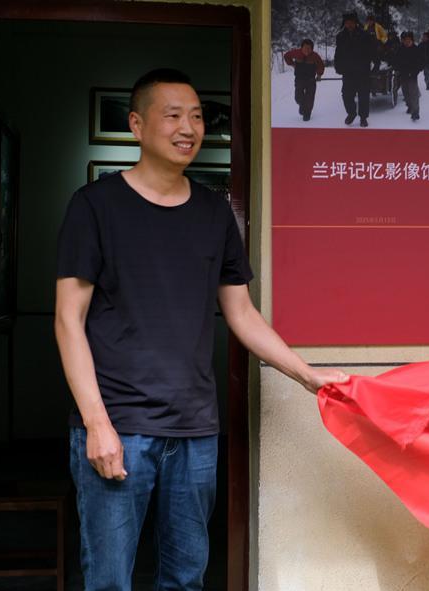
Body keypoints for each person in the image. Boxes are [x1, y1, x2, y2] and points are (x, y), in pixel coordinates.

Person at [55, 68, 348, 590]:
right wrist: (96, 424)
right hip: (119, 425)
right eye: (172, 115)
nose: (188, 127)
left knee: (187, 578)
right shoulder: (94, 206)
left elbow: (242, 313)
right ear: (137, 125)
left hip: (194, 430)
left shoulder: (214, 212)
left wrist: (308, 376)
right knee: (109, 580)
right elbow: (67, 321)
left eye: (196, 116)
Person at [334, 11, 376, 128]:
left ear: (356, 22)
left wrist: (375, 64)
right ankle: (351, 113)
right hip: (348, 71)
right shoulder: (340, 36)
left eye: (351, 22)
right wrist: (338, 66)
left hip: (363, 70)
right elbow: (338, 53)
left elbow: (372, 51)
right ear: (344, 23)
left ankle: (363, 118)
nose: (349, 25)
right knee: (346, 95)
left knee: (363, 95)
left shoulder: (365, 35)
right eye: (347, 23)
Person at [283, 38, 325, 122]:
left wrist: (319, 75)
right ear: (301, 47)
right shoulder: (296, 53)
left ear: (312, 49)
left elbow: (320, 65)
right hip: (299, 79)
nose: (307, 50)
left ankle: (307, 113)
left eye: (309, 48)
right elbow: (286, 56)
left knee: (309, 98)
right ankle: (302, 106)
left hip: (311, 80)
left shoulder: (315, 56)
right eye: (305, 48)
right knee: (298, 97)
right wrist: (292, 64)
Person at [394, 31, 425, 121]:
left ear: (412, 40)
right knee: (406, 93)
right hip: (403, 74)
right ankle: (410, 106)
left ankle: (415, 112)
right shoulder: (400, 49)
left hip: (412, 75)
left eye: (409, 40)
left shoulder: (416, 49)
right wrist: (397, 68)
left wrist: (416, 71)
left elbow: (421, 62)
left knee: (413, 93)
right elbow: (396, 60)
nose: (407, 42)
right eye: (405, 40)